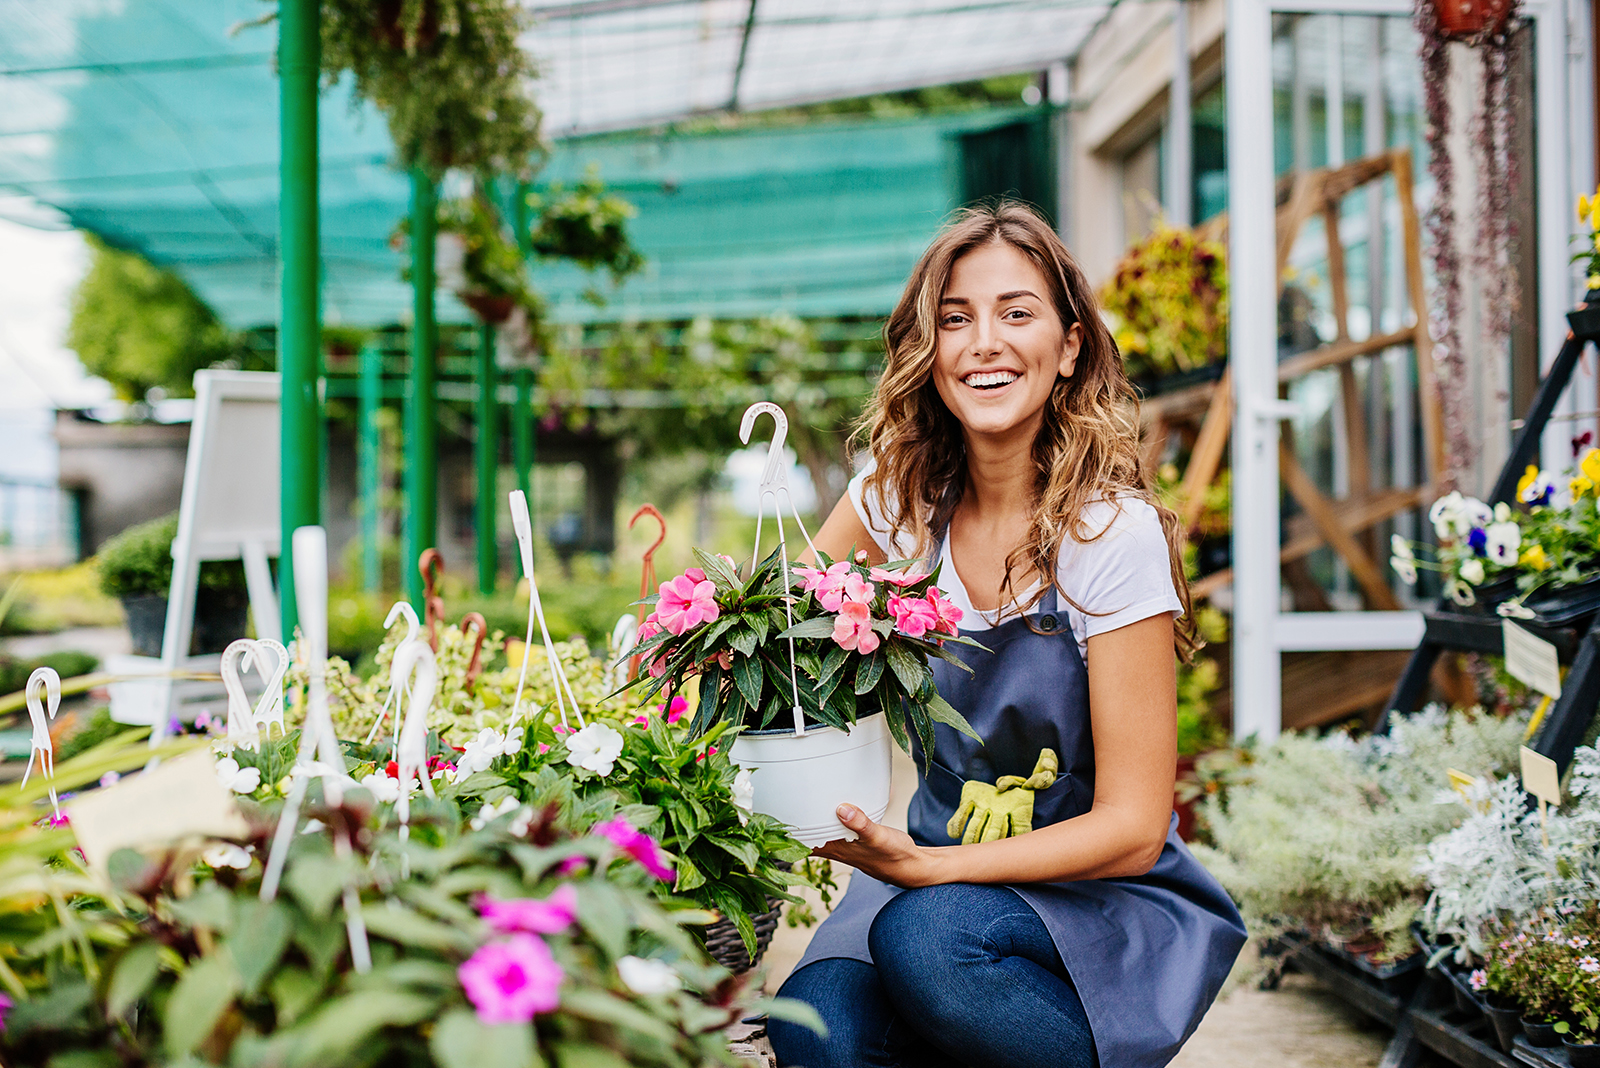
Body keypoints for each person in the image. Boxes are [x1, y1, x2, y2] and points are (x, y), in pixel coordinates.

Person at [765, 202, 1246, 1068]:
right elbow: (772, 637)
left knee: (929, 945)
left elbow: (1136, 826)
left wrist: (926, 870)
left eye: (1015, 313)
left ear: (1068, 348)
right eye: (955, 319)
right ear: (929, 351)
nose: (983, 341)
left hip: (1091, 893)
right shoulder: (895, 501)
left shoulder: (1110, 535)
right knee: (816, 1030)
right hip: (933, 882)